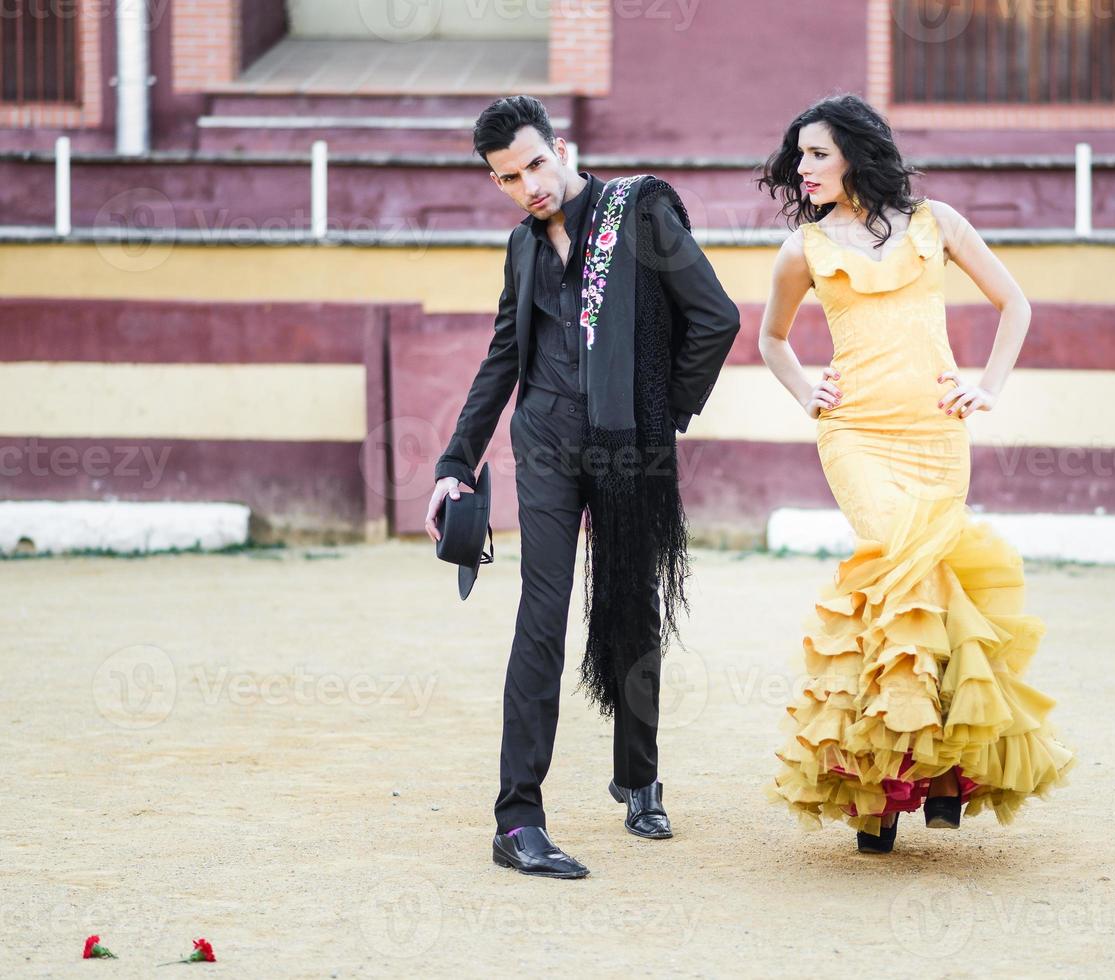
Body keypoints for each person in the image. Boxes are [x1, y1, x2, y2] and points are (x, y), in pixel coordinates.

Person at [425, 96, 741, 878]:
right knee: (542, 613)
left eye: (534, 163)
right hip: (545, 448)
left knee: (631, 603)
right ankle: (517, 818)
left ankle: (638, 778)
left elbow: (716, 318)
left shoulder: (637, 213)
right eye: (507, 177)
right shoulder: (521, 249)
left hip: (628, 447)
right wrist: (453, 464)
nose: (528, 185)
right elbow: (503, 358)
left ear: (560, 148)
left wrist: (659, 410)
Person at [756, 94, 1076, 853]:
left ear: (857, 155)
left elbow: (1014, 303)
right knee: (900, 581)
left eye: (817, 155)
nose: (802, 169)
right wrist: (808, 391)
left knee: (934, 595)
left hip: (936, 435)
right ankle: (876, 794)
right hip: (856, 437)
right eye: (798, 156)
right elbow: (770, 339)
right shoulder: (802, 248)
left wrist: (988, 385)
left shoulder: (938, 224)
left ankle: (936, 780)